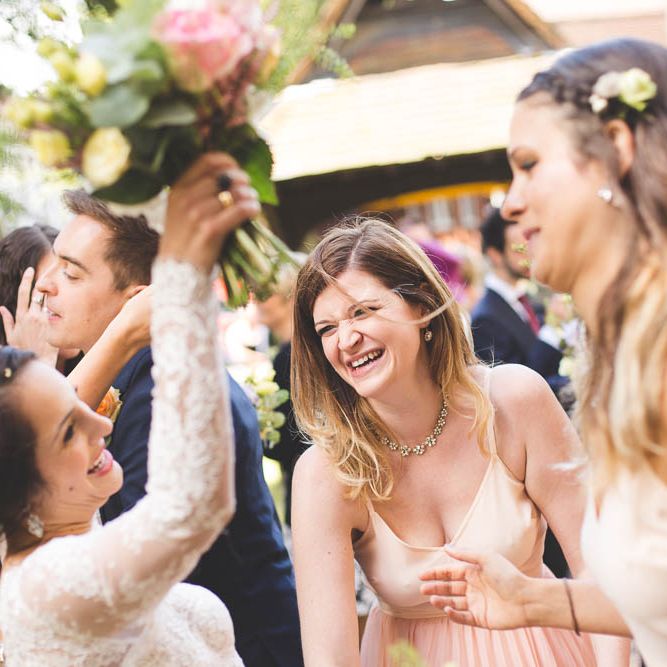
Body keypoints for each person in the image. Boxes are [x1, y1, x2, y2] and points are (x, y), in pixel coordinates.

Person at [420, 37, 667, 667]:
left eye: (528, 165)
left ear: (616, 148)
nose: (510, 202)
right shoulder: (625, 353)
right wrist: (532, 600)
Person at [289, 217, 615, 666]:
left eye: (363, 311)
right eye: (326, 328)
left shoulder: (515, 401)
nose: (346, 339)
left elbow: (599, 566)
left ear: (421, 304)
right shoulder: (325, 473)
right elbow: (329, 659)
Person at [0, 151, 258, 664]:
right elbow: (187, 509)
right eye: (68, 432)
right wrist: (185, 279)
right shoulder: (47, 586)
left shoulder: (74, 538)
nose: (100, 421)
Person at [35, 185, 303, 666]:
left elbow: (145, 564)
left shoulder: (165, 395)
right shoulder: (127, 375)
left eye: (71, 273)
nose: (46, 285)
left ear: (138, 301)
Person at [471, 208, 570, 578]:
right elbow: (507, 394)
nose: (527, 252)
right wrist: (552, 337)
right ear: (494, 254)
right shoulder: (485, 317)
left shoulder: (532, 303)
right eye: (517, 247)